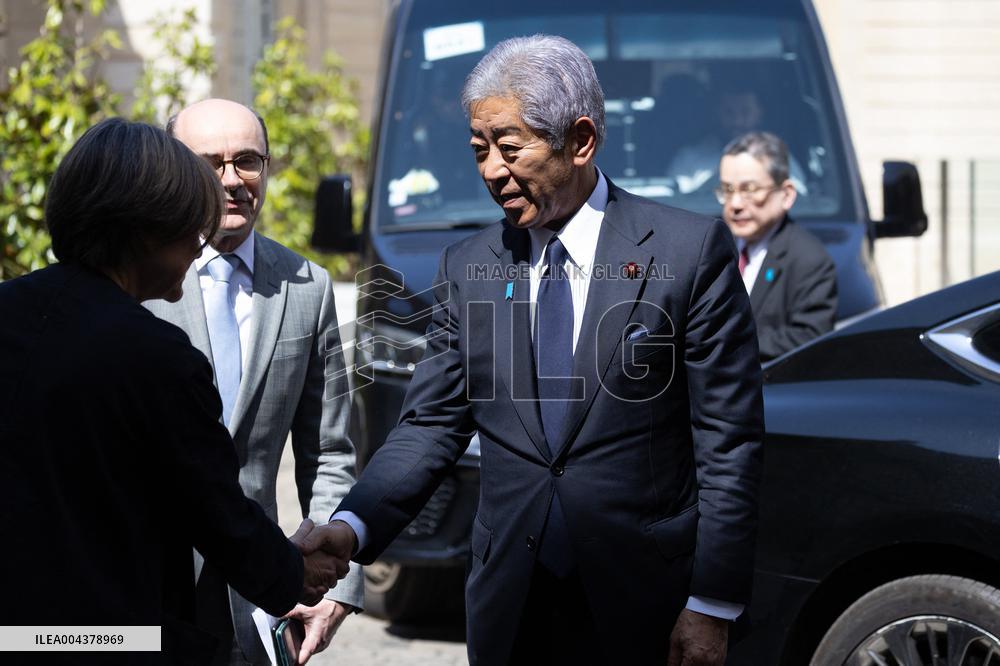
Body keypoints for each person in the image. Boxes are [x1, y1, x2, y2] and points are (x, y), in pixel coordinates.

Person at [306, 35, 764, 665]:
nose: (492, 170)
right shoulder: (468, 268)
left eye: (510, 147)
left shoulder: (686, 253)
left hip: (647, 605)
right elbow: (429, 427)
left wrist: (711, 603)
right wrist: (351, 527)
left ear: (580, 141)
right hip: (511, 607)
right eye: (479, 150)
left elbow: (728, 443)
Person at [0, 118, 348, 665]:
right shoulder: (156, 355)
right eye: (191, 225)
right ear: (146, 229)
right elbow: (211, 508)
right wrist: (294, 572)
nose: (199, 244)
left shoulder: (10, 311)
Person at [145, 98, 362, 665]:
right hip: (144, 591)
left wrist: (335, 583)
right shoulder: (136, 282)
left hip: (258, 599)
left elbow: (330, 450)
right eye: (209, 163)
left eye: (247, 160)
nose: (232, 180)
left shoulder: (307, 287)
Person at [717, 131, 837, 361]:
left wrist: (728, 342)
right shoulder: (713, 247)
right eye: (727, 190)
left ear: (786, 195)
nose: (735, 204)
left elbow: (810, 337)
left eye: (749, 190)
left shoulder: (809, 260)